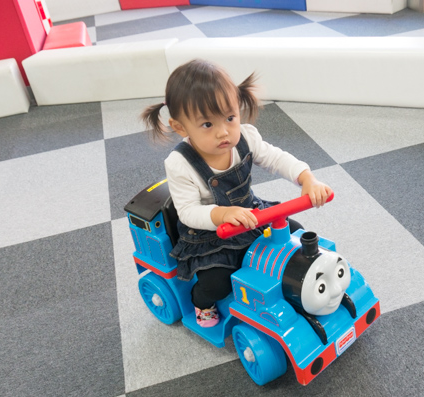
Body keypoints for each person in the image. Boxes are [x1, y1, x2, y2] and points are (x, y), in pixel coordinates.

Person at [141, 59, 332, 328]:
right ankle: (201, 303)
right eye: (207, 124)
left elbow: (276, 158)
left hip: (252, 213)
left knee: (295, 234)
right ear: (181, 127)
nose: (224, 132)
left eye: (230, 118)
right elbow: (188, 212)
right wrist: (222, 214)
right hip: (209, 235)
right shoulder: (180, 163)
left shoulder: (245, 137)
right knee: (217, 282)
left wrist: (306, 178)